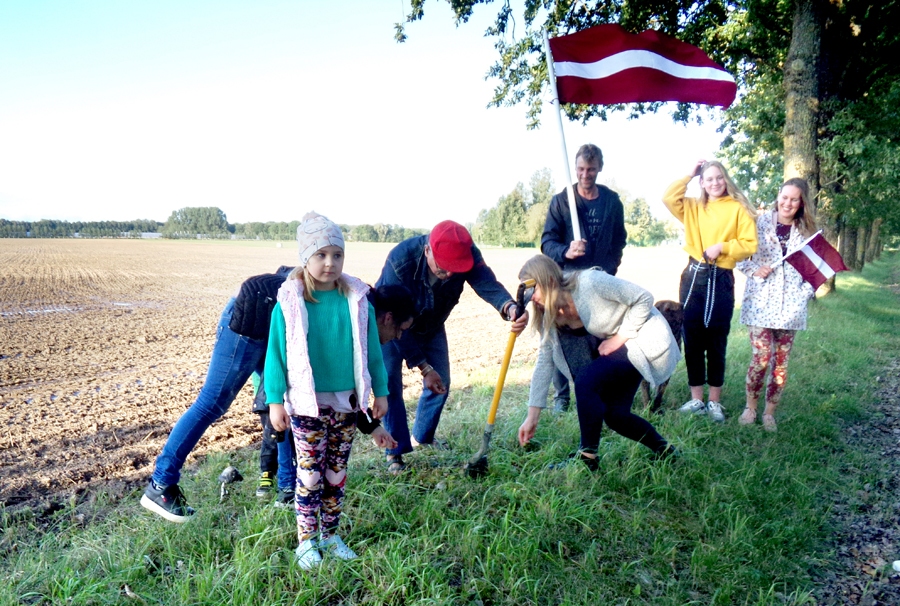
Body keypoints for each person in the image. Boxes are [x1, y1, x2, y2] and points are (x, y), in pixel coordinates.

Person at [140, 266, 413, 523]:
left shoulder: (354, 304)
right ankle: (160, 483)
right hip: (253, 318)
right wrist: (373, 423)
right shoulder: (355, 305)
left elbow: (332, 386)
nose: (398, 338)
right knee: (213, 403)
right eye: (400, 330)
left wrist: (373, 426)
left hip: (271, 327)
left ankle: (286, 484)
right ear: (387, 318)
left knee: (285, 403)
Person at [265, 212, 389, 570]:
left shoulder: (357, 300)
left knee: (336, 473)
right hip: (307, 406)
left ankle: (331, 535)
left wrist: (379, 392)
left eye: (337, 255)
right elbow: (276, 355)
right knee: (310, 475)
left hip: (347, 404)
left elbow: (372, 352)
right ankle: (306, 541)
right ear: (306, 257)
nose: (330, 263)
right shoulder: (290, 302)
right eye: (321, 255)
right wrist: (275, 401)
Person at [376, 220, 528, 474]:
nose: (448, 275)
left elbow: (485, 282)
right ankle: (395, 452)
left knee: (441, 382)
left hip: (432, 323)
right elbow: (390, 317)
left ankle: (423, 437)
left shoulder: (466, 253)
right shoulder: (400, 261)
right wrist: (424, 368)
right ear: (427, 251)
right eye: (443, 268)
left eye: (454, 270)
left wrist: (509, 307)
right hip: (394, 328)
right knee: (390, 385)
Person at [516, 255, 679, 468]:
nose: (531, 298)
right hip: (621, 349)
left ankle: (587, 459)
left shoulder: (590, 282)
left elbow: (644, 297)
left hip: (642, 339)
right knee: (615, 415)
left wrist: (619, 338)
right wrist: (532, 416)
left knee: (586, 380)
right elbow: (545, 362)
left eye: (533, 289)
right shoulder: (549, 314)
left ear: (548, 280)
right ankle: (666, 451)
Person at [662, 160, 758, 422]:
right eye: (709, 179)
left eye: (719, 178)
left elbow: (750, 244)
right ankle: (696, 399)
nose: (715, 183)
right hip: (693, 276)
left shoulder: (738, 208)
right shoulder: (693, 206)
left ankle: (714, 402)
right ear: (702, 182)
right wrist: (689, 173)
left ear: (725, 179)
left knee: (716, 340)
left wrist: (723, 247)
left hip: (721, 278)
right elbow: (668, 197)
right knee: (692, 338)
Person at [541, 143, 627, 413]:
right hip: (567, 280)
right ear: (575, 169)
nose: (585, 174)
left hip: (600, 281)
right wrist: (566, 250)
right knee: (560, 337)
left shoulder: (611, 202)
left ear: (599, 168)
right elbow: (546, 242)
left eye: (590, 169)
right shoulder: (562, 201)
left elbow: (619, 240)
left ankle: (597, 392)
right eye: (580, 169)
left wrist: (610, 267)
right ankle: (561, 397)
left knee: (599, 335)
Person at [736, 178, 817, 431]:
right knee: (761, 357)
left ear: (801, 203)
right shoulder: (758, 224)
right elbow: (739, 258)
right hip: (760, 303)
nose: (787, 203)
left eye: (794, 199)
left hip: (789, 309)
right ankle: (750, 407)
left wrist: (802, 294)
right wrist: (753, 269)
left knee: (781, 362)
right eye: (784, 197)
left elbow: (815, 274)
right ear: (778, 196)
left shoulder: (807, 233)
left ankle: (769, 412)